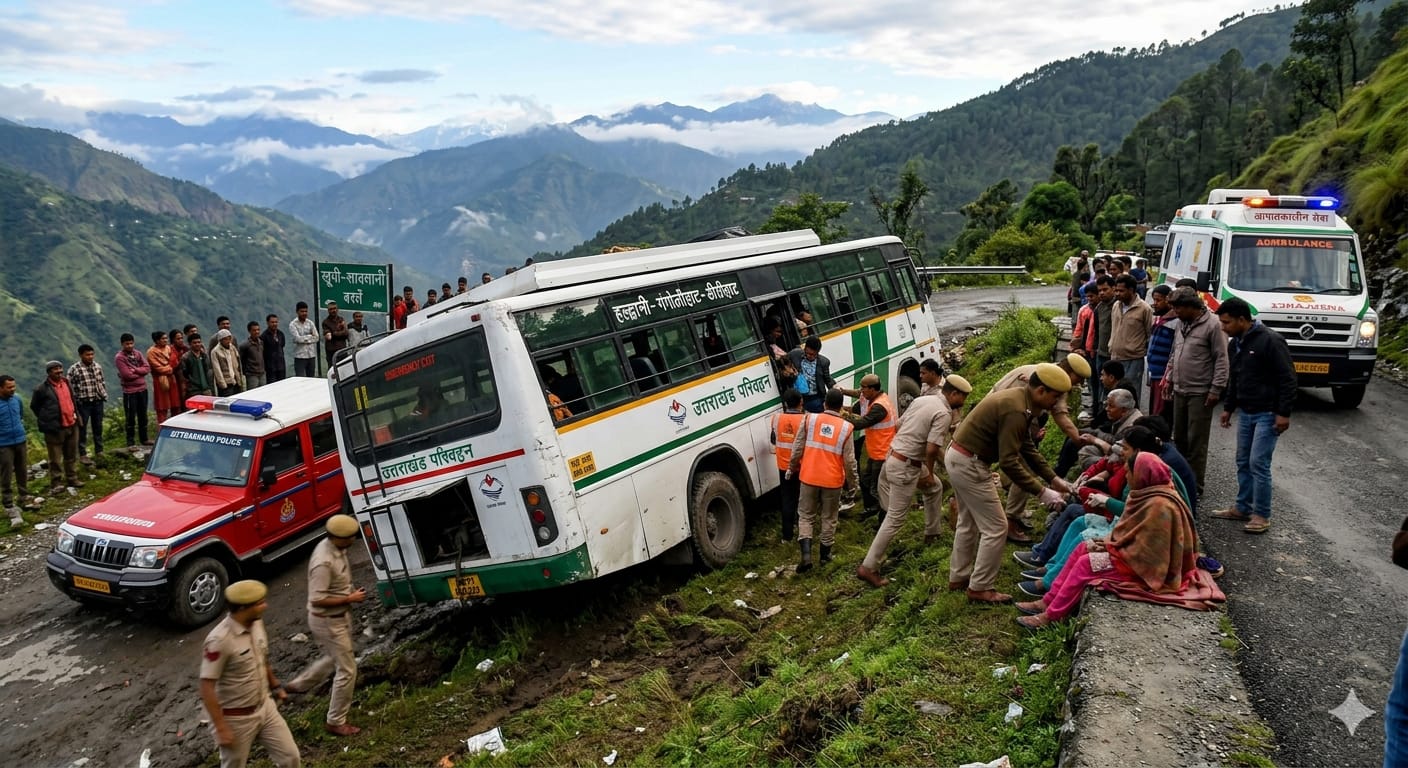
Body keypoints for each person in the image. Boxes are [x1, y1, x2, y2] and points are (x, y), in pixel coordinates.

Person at [1015, 453, 1197, 629]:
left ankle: (1052, 615)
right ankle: (1047, 600)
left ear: (1141, 474)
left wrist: (1110, 548)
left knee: (1086, 564)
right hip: (1131, 556)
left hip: (1146, 568)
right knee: (1083, 547)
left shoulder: (1159, 506)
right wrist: (1108, 544)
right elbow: (1130, 534)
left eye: (1129, 472)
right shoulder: (1149, 494)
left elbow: (1148, 553)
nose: (1126, 476)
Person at [946, 363, 1073, 604]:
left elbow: (1026, 446)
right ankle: (980, 587)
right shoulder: (1016, 410)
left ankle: (959, 577)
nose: (1056, 403)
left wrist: (1053, 479)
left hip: (958, 456)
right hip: (970, 464)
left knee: (968, 521)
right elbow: (1009, 461)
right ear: (1041, 391)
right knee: (996, 528)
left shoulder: (1022, 402)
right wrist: (1042, 492)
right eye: (1055, 397)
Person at [857, 374, 972, 587]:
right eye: (963, 398)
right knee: (896, 518)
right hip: (906, 465)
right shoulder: (944, 413)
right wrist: (929, 470)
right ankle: (868, 566)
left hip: (893, 456)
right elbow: (931, 448)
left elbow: (899, 426)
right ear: (954, 394)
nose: (963, 403)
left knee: (935, 488)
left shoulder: (922, 399)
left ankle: (932, 532)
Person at [198, 580, 301, 768]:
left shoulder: (257, 623)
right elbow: (206, 687)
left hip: (265, 707)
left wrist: (275, 685)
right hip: (236, 719)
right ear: (244, 608)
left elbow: (262, 656)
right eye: (260, 603)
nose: (265, 605)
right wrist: (221, 727)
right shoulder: (219, 640)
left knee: (290, 757)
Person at [1215, 297, 1296, 535]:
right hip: (1247, 412)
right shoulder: (1236, 343)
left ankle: (1261, 514)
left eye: (1227, 322)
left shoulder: (1271, 341)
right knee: (1242, 461)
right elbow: (1235, 378)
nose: (1223, 328)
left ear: (1242, 319)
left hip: (1268, 413)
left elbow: (1288, 379)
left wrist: (1283, 413)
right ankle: (1242, 507)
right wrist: (1228, 407)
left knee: (1258, 463)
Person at [990, 354, 1091, 541]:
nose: (1079, 385)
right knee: (1025, 467)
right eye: (1079, 379)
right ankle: (1010, 520)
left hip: (1001, 414)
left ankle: (1013, 507)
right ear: (1069, 372)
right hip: (1006, 421)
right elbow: (1061, 417)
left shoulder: (1044, 369)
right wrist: (1078, 439)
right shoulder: (1056, 381)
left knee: (1022, 462)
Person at [285, 515, 366, 736]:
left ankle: (299, 686)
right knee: (348, 669)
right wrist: (348, 599)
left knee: (336, 657)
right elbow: (317, 599)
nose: (353, 539)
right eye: (350, 537)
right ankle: (336, 720)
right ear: (338, 538)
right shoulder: (323, 562)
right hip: (328, 620)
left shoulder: (337, 548)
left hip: (339, 616)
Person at [1162, 286, 1229, 495]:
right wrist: (1169, 377)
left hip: (1200, 391)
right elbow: (1175, 352)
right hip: (1180, 388)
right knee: (1179, 439)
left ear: (1191, 307)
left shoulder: (1214, 325)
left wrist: (1216, 389)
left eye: (1178, 308)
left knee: (1196, 442)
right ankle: (1179, 482)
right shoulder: (1182, 324)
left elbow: (1222, 359)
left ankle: (1195, 486)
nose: (1175, 312)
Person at [787, 388, 859, 573]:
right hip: (833, 481)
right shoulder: (846, 428)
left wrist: (791, 467)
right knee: (829, 517)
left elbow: (797, 447)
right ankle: (825, 556)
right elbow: (850, 461)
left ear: (824, 403)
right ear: (841, 406)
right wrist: (853, 485)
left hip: (809, 477)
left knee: (806, 515)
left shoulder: (809, 419)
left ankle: (806, 555)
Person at [839, 374, 895, 520]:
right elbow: (855, 409)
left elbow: (861, 424)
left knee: (877, 488)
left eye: (863, 388)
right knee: (865, 481)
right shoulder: (870, 399)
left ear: (872, 389)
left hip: (883, 452)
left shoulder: (879, 407)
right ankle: (871, 508)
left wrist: (841, 415)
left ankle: (885, 518)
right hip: (875, 451)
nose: (860, 391)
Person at [31, 361, 81, 493]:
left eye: (60, 368)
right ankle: (56, 482)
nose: (59, 371)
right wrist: (47, 420)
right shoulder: (41, 389)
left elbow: (72, 401)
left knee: (71, 455)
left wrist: (77, 417)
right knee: (55, 459)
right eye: (55, 369)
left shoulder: (66, 383)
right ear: (49, 372)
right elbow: (35, 407)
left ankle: (72, 478)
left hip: (71, 424)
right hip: (54, 429)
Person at [1, 375, 40, 526]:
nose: (12, 389)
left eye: (13, 386)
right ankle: (8, 503)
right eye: (9, 387)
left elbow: (21, 415)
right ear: (1, 388)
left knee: (22, 470)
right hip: (3, 444)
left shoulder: (16, 399)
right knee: (6, 472)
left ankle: (24, 497)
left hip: (20, 440)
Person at [769, 388, 807, 542]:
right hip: (801, 466)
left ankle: (787, 536)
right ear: (801, 402)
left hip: (783, 466)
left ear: (785, 403)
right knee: (802, 498)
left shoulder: (776, 419)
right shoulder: (806, 420)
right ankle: (802, 530)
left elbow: (773, 440)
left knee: (787, 499)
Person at [1109, 274, 1153, 388]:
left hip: (1133, 359)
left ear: (1131, 290)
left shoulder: (1144, 309)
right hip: (1115, 357)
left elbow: (1150, 334)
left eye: (1121, 291)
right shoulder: (1116, 305)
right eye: (1116, 290)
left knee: (1130, 393)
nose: (1117, 294)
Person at [67, 344, 108, 464]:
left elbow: (101, 382)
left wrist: (103, 395)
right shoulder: (74, 369)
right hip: (83, 403)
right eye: (87, 354)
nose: (90, 357)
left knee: (98, 426)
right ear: (81, 355)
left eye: (92, 354)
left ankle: (99, 450)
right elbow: (69, 387)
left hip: (97, 401)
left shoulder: (97, 367)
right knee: (82, 428)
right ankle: (83, 453)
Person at [114, 333, 152, 449]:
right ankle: (130, 442)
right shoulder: (120, 357)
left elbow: (147, 368)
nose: (129, 346)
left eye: (131, 343)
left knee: (143, 415)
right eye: (127, 344)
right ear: (122, 344)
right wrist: (140, 372)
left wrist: (134, 370)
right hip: (130, 392)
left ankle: (144, 439)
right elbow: (126, 375)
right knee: (131, 417)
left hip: (142, 389)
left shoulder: (137, 354)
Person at [1144, 284, 1176, 418]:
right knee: (1154, 409)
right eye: (1154, 300)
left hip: (1163, 375)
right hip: (1155, 373)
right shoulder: (1161, 320)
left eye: (1158, 300)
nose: (1155, 304)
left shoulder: (1174, 322)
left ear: (1168, 301)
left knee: (1160, 412)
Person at [787, 337, 835, 414]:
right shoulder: (795, 354)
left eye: (812, 354)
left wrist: (835, 388)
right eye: (807, 353)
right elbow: (783, 361)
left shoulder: (824, 362)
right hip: (798, 398)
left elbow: (827, 380)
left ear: (817, 352)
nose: (809, 356)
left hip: (815, 398)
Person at [148, 332, 180, 424]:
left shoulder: (169, 348)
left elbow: (175, 361)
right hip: (160, 381)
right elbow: (156, 367)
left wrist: (169, 368)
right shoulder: (151, 352)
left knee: (175, 405)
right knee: (162, 407)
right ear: (157, 340)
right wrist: (169, 369)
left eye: (166, 338)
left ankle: (176, 426)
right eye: (163, 339)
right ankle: (162, 427)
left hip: (171, 379)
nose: (165, 340)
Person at [211, 329, 244, 397]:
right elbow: (217, 369)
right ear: (220, 340)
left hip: (235, 380)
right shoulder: (215, 351)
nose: (228, 341)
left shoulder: (233, 348)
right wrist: (223, 384)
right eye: (225, 339)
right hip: (226, 382)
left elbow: (238, 364)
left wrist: (240, 380)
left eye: (229, 338)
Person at [289, 302, 318, 378]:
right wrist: (310, 336)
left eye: (306, 311)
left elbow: (317, 337)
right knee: (300, 379)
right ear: (297, 312)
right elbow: (297, 339)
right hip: (300, 356)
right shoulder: (293, 324)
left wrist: (304, 338)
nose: (304, 313)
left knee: (311, 379)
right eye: (302, 311)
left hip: (311, 355)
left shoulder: (310, 323)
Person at [262, 314, 287, 383]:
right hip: (270, 368)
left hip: (281, 366)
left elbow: (282, 345)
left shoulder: (280, 334)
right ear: (267, 323)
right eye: (272, 322)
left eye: (276, 322)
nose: (274, 324)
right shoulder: (264, 336)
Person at [240, 322, 266, 390]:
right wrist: (246, 372)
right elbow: (241, 360)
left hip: (262, 373)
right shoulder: (245, 345)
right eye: (254, 330)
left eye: (258, 330)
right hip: (251, 375)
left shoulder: (261, 343)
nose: (257, 332)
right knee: (253, 394)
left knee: (263, 392)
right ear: (249, 331)